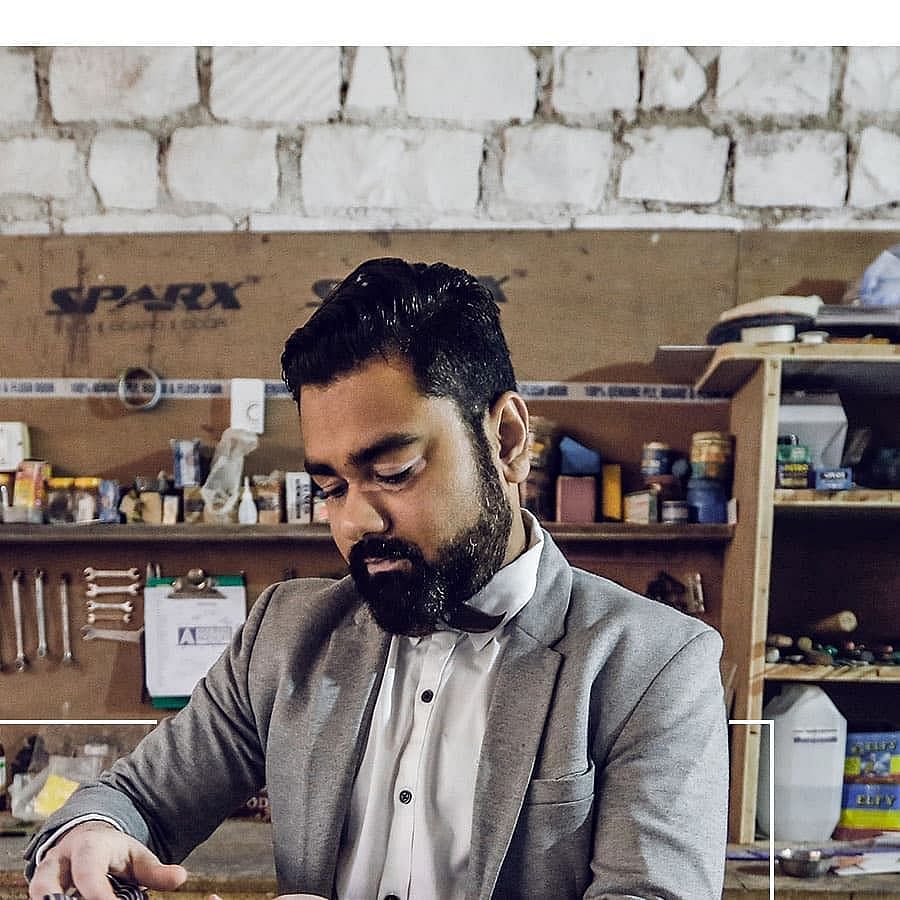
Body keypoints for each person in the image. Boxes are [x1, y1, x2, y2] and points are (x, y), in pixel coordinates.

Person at [25, 258, 728, 900]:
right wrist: (87, 834)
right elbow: (136, 800)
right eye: (330, 487)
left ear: (508, 441)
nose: (354, 522)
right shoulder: (283, 635)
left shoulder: (653, 664)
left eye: (393, 472)